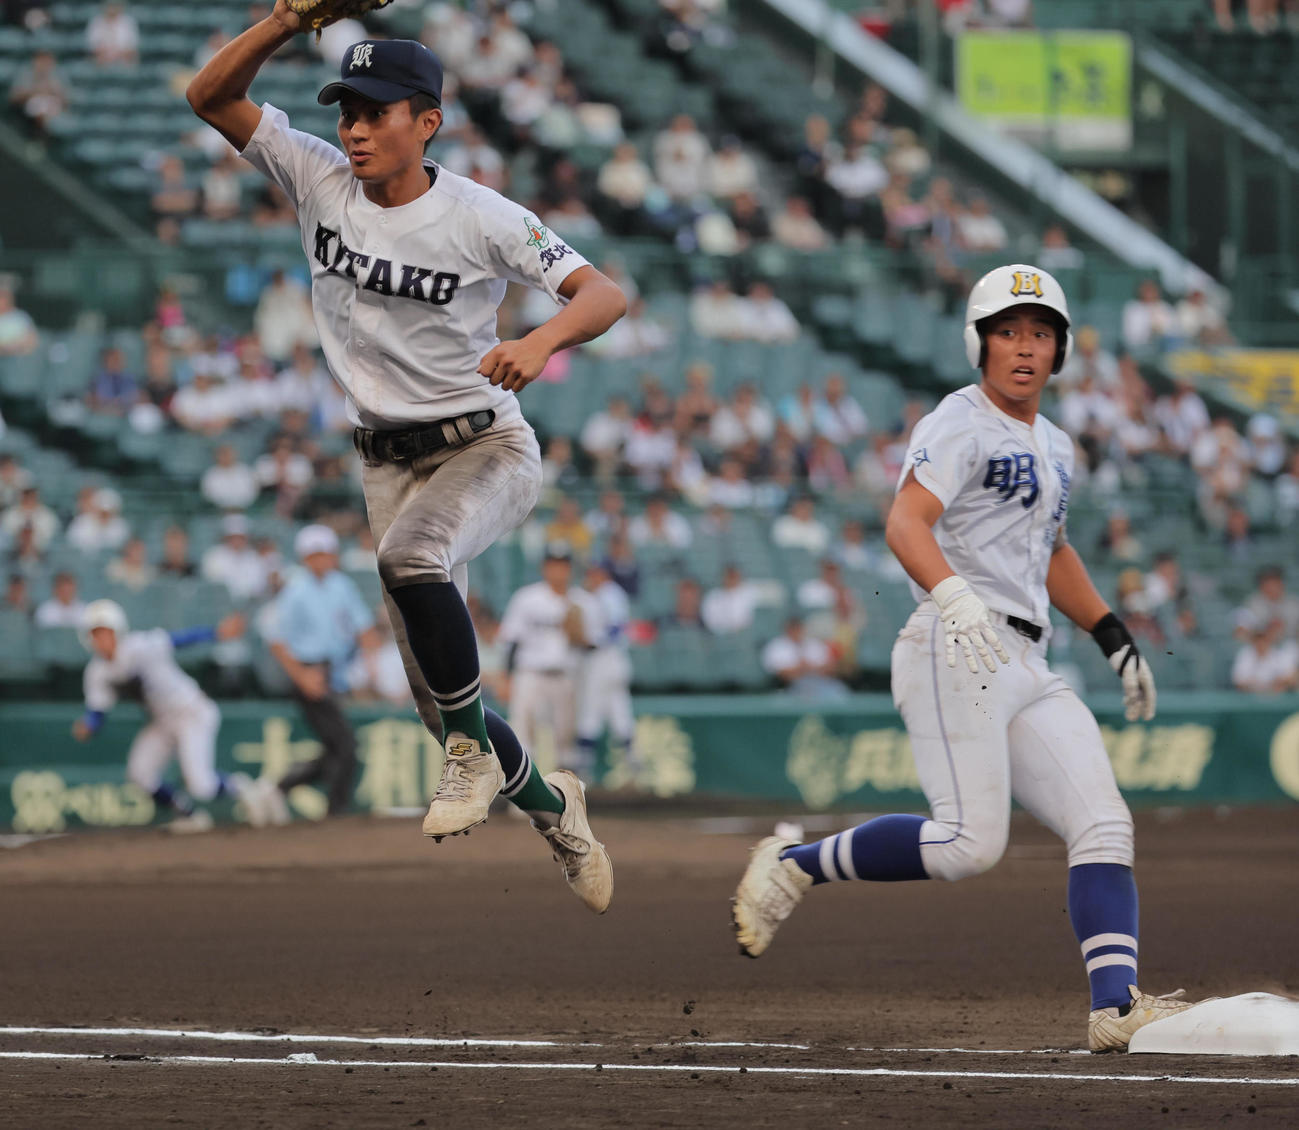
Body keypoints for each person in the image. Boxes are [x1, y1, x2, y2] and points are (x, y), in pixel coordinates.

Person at [187, 11, 623, 911]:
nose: (353, 126)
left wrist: (543, 343)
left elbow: (603, 291)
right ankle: (552, 807)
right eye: (346, 107)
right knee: (436, 701)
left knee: (410, 563)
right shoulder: (314, 173)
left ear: (426, 120)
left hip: (485, 446)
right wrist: (285, 18)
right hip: (385, 465)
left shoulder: (478, 215)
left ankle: (470, 756)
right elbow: (210, 96)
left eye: (376, 109)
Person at [731, 264, 1198, 1053]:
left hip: (1027, 653)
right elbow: (906, 521)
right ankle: (794, 863)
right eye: (1008, 332)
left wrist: (1111, 633)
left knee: (1103, 824)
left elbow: (1049, 550)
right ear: (978, 344)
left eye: (1039, 334)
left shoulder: (1053, 442)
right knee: (967, 844)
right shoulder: (958, 420)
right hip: (954, 640)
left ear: (1060, 351)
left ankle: (1114, 1007)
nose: (1024, 348)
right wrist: (952, 595)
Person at [72, 599, 272, 831]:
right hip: (163, 721)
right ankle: (189, 815)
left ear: (119, 630)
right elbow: (97, 711)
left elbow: (180, 639)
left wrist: (216, 633)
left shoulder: (139, 646)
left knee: (202, 786)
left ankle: (245, 787)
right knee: (139, 773)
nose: (102, 639)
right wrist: (89, 725)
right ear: (88, 639)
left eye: (106, 632)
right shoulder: (97, 673)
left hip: (191, 711)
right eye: (96, 634)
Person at [264, 525, 378, 818]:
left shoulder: (342, 585)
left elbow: (363, 628)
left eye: (325, 553)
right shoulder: (296, 589)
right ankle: (335, 810)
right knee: (345, 746)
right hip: (309, 671)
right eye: (315, 554)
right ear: (305, 557)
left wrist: (369, 664)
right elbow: (276, 640)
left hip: (335, 672)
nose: (322, 559)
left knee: (335, 748)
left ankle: (277, 788)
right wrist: (302, 676)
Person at [497, 546, 599, 778]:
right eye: (553, 564)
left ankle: (565, 798)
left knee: (566, 738)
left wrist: (580, 638)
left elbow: (594, 646)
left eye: (563, 565)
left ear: (570, 569)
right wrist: (506, 677)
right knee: (522, 735)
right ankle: (521, 798)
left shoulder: (583, 602)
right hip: (530, 674)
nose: (558, 570)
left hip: (566, 677)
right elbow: (512, 640)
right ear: (545, 568)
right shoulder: (527, 598)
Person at [574, 560, 635, 777]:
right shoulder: (596, 594)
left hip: (606, 657)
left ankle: (584, 767)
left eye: (595, 572)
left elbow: (617, 629)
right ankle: (632, 763)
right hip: (608, 659)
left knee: (591, 709)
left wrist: (593, 640)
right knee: (618, 710)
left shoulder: (610, 592)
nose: (591, 576)